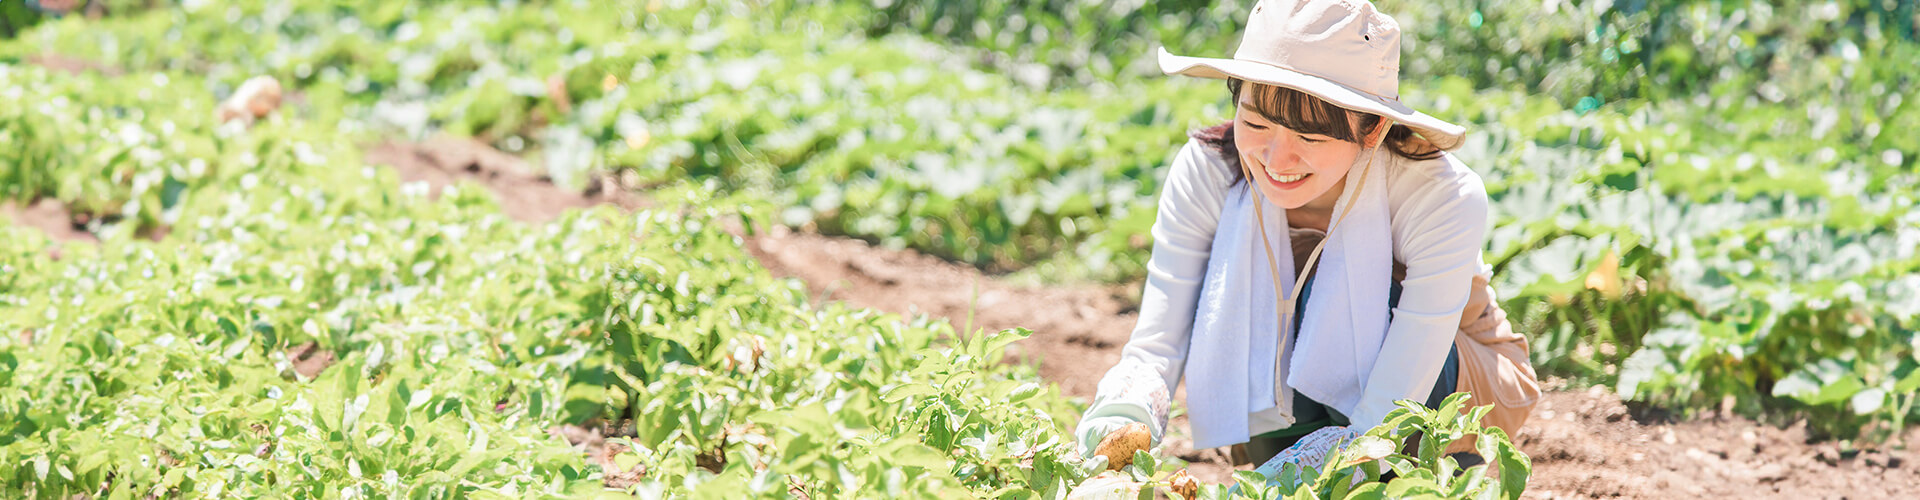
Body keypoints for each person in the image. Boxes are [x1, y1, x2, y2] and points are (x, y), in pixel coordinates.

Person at [1075, 0, 1538, 471]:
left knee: (1328, 291)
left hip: (1443, 391)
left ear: (1373, 128)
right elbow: (1158, 341)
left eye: (1310, 138)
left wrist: (1334, 464)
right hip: (1287, 406)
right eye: (1255, 123)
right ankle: (1290, 462)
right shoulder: (1208, 172)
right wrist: (1122, 417)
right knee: (1243, 290)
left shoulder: (1440, 195)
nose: (1277, 159)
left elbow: (1391, 407)